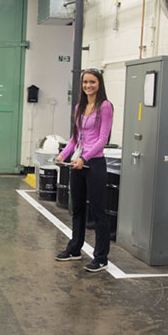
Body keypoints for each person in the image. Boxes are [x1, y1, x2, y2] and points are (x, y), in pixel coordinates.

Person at [54, 69, 115, 273]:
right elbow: (74, 138)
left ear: (99, 84)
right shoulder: (80, 106)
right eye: (85, 82)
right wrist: (63, 155)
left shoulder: (105, 106)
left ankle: (101, 257)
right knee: (78, 208)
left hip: (94, 163)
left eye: (92, 82)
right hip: (76, 163)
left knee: (98, 211)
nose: (88, 86)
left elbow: (102, 139)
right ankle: (75, 249)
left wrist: (85, 158)